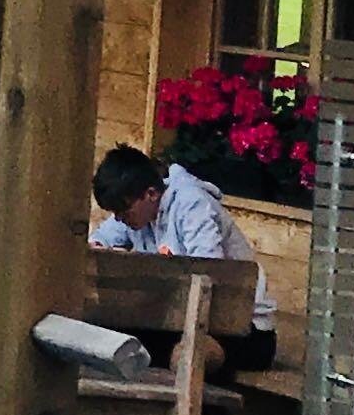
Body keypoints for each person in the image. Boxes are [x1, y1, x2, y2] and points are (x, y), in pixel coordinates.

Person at [89, 144, 278, 372]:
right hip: (180, 323)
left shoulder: (192, 204)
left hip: (245, 331)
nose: (119, 219)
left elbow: (209, 270)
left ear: (150, 194)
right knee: (112, 339)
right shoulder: (136, 214)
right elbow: (99, 241)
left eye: (123, 211)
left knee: (186, 355)